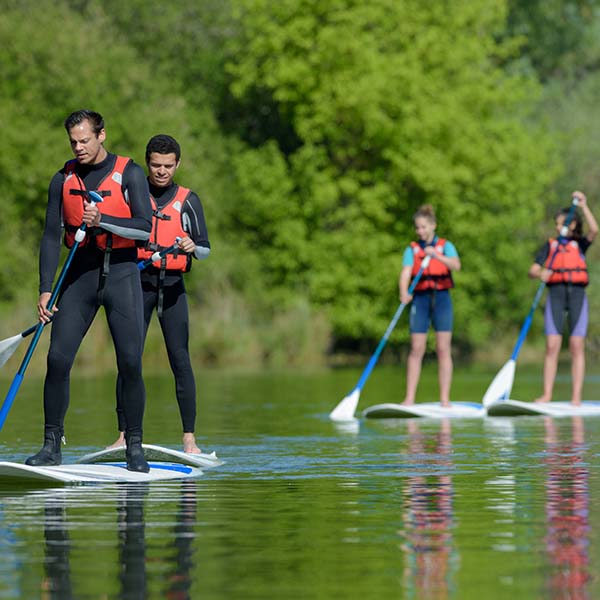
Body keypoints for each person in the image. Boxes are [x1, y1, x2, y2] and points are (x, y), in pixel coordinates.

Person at [27, 109, 152, 472]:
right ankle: (51, 445)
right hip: (79, 275)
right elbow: (51, 237)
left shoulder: (129, 173)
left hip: (122, 274)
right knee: (57, 359)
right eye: (73, 142)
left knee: (129, 362)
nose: (79, 147)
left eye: (85, 140)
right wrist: (46, 289)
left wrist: (105, 220)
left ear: (102, 136)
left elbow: (144, 228)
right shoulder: (61, 179)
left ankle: (135, 446)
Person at [107, 134, 210, 454]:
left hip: (173, 289)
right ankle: (124, 435)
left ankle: (189, 439)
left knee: (180, 360)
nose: (162, 171)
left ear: (177, 164)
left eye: (168, 166)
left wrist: (193, 247)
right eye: (155, 165)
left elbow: (205, 248)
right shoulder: (133, 192)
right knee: (129, 359)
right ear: (147, 163)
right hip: (137, 286)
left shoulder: (188, 200)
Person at [528, 191, 598, 405]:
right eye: (556, 224)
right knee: (552, 345)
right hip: (556, 295)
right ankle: (547, 394)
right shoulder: (551, 246)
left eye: (562, 224)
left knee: (576, 345)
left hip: (577, 295)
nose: (559, 228)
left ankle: (576, 397)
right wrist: (541, 274)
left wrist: (584, 205)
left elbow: (595, 230)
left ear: (573, 224)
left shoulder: (581, 244)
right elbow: (533, 270)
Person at [398, 204, 461, 407]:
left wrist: (436, 255)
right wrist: (403, 291)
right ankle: (409, 398)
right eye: (418, 228)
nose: (420, 231)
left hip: (442, 298)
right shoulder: (412, 249)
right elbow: (406, 272)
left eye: (424, 227)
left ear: (433, 226)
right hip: (420, 299)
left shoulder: (445, 245)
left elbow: (456, 265)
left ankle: (444, 398)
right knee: (417, 348)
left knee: (443, 348)